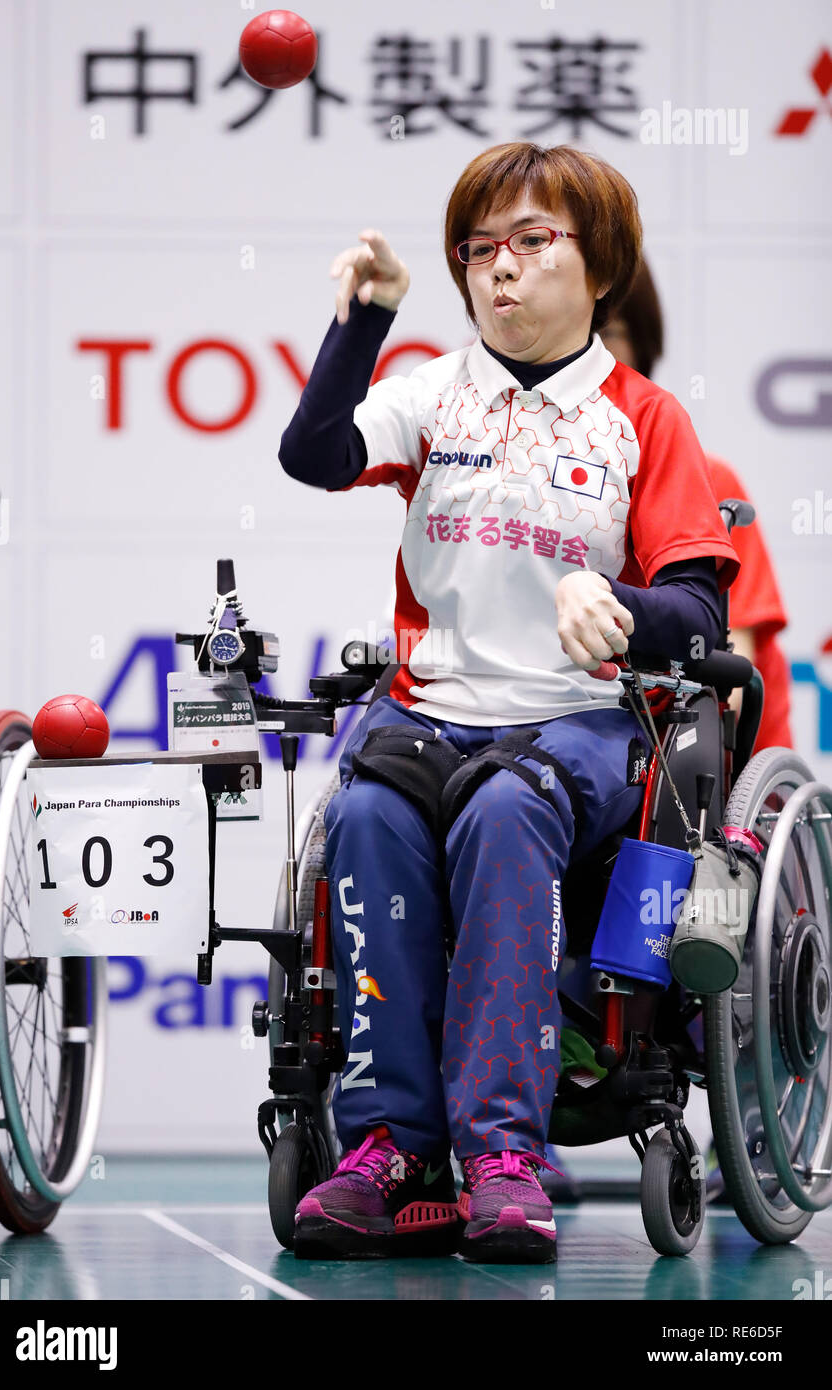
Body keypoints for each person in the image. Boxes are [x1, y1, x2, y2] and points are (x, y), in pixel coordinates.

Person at [279, 142, 739, 1263]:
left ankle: (501, 1155)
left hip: (574, 729)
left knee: (501, 810)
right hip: (425, 711)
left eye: (531, 244)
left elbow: (697, 609)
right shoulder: (437, 390)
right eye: (477, 250)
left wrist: (618, 601)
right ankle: (392, 1147)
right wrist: (365, 320)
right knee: (368, 816)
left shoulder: (643, 415)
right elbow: (315, 452)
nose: (499, 271)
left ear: (599, 266)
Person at [600, 261, 793, 751]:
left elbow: (734, 676)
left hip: (712, 757)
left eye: (613, 333)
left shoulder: (710, 478)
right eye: (586, 332)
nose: (594, 354)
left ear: (644, 341)